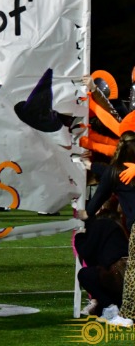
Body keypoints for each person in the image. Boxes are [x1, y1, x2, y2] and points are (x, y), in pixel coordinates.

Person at [78, 125, 135, 327]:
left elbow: (96, 201)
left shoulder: (115, 172)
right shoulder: (121, 171)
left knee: (133, 273)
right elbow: (110, 171)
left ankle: (128, 314)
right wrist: (91, 165)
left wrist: (83, 215)